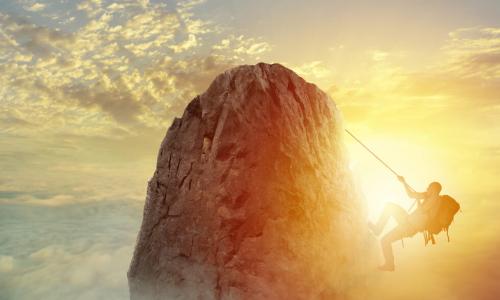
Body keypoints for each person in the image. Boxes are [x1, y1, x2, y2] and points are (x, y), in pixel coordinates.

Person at [368, 176, 442, 271]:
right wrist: (404, 182)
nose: (427, 188)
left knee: (385, 240)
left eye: (429, 187)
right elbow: (411, 195)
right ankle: (378, 229)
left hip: (410, 227)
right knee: (389, 207)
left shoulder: (435, 198)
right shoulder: (428, 196)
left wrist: (419, 201)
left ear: (434, 189)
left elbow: (422, 209)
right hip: (407, 222)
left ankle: (390, 264)